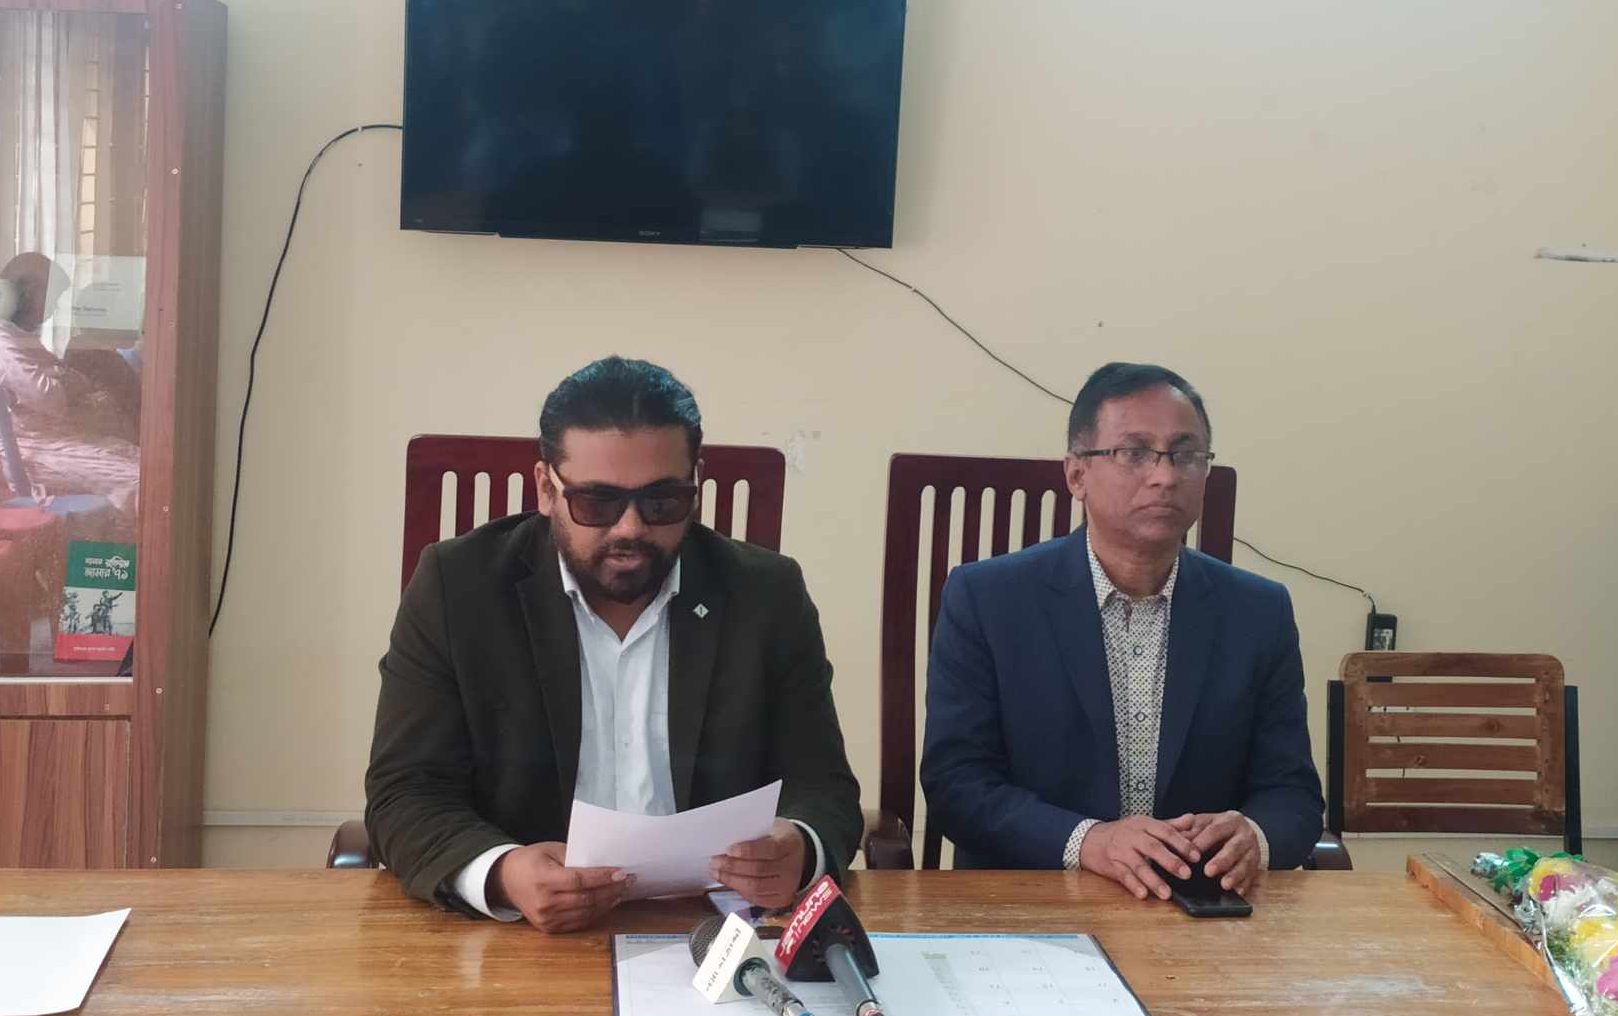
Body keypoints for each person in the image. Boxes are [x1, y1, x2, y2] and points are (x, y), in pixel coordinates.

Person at [365, 357, 861, 932]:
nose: (630, 528)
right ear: (546, 489)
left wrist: (799, 846)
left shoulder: (766, 594)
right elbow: (406, 791)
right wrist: (501, 872)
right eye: (597, 502)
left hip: (715, 931)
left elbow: (823, 785)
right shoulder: (458, 588)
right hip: (522, 937)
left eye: (662, 501)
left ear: (695, 485)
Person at [920, 362, 1324, 899]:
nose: (1165, 476)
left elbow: (1293, 795)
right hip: (1031, 904)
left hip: (1198, 913)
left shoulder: (1258, 612)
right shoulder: (986, 599)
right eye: (1134, 453)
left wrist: (1255, 835)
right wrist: (1088, 842)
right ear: (1076, 475)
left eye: (1186, 455)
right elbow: (957, 785)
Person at [0, 253, 139, 521]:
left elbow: (73, 382)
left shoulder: (18, 337)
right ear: (30, 292)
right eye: (51, 298)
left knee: (146, 464)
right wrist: (63, 379)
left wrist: (61, 377)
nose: (53, 308)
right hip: (36, 449)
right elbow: (49, 398)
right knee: (140, 481)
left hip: (63, 438)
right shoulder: (3, 341)